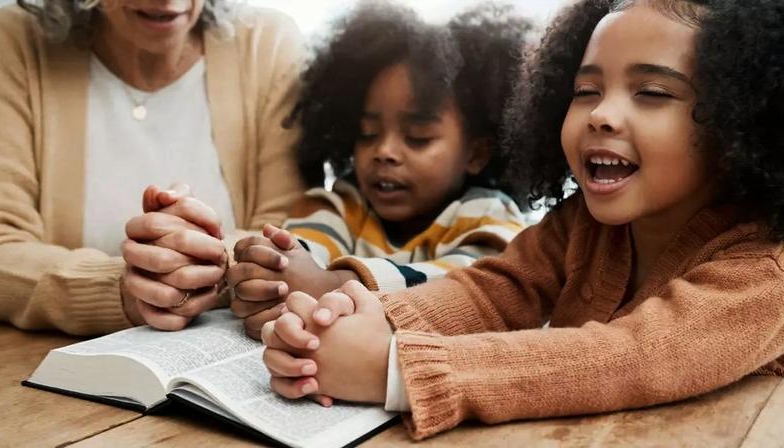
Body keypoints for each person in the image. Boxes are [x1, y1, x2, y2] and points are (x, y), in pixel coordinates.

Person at [259, 0, 784, 440]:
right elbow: (493, 290)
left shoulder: (768, 271)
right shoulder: (583, 224)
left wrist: (392, 368)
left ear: (742, 119)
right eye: (586, 91)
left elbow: (634, 356)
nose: (600, 114)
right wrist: (370, 316)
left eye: (651, 92)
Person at [0, 0, 304, 335]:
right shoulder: (19, 40)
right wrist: (122, 291)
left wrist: (204, 269)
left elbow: (296, 232)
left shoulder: (267, 42)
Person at [226, 2, 531, 336]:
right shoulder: (344, 203)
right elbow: (305, 252)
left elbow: (465, 289)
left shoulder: (491, 218)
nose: (384, 152)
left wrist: (335, 283)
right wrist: (273, 274)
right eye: (367, 134)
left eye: (418, 137)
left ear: (476, 153)